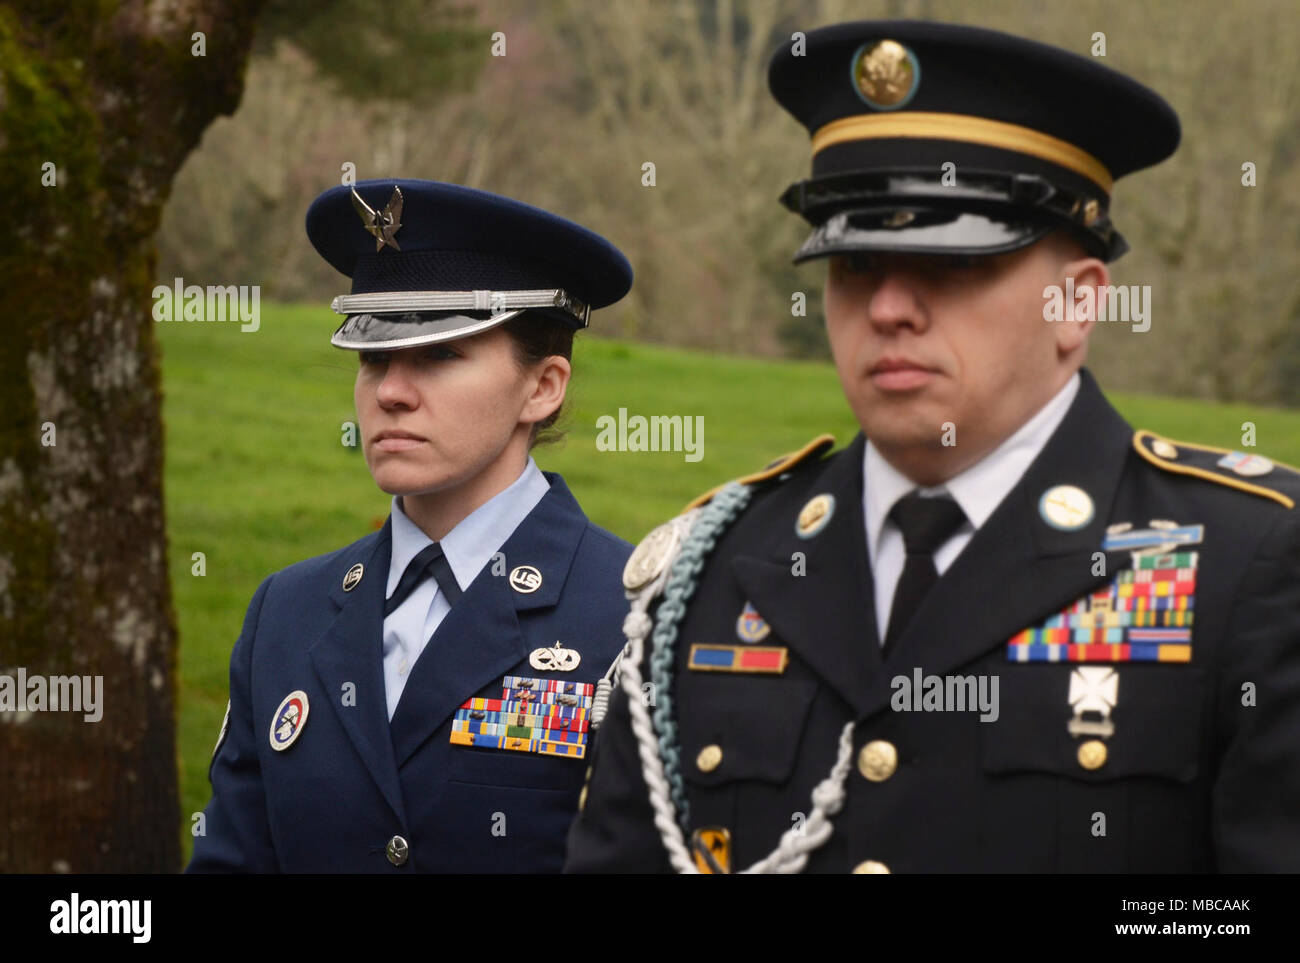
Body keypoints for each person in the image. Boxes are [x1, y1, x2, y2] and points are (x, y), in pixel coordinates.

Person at [565, 20, 1300, 873]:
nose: (888, 310)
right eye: (856, 266)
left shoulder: (1250, 564)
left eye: (949, 267)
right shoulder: (714, 566)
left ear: (1077, 304)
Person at [189, 178, 634, 872]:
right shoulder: (288, 612)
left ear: (543, 387)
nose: (391, 391)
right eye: (373, 358)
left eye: (438, 354)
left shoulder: (638, 615)